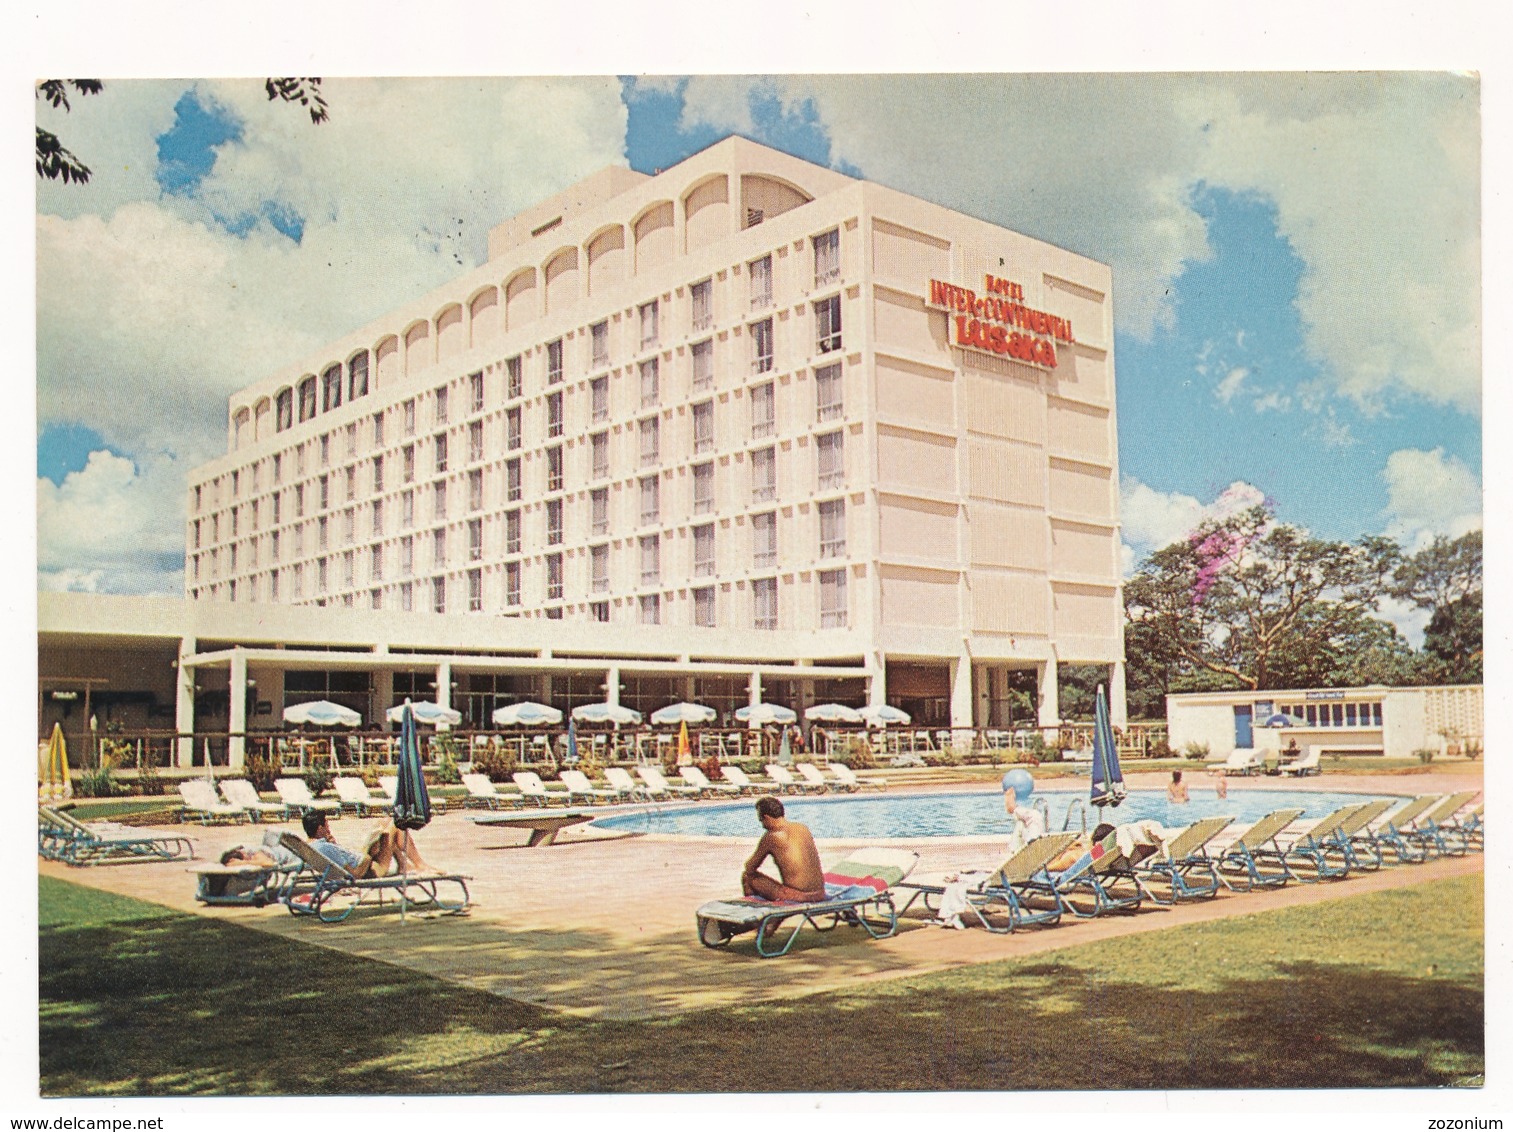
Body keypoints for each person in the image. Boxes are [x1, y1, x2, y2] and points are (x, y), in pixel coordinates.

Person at [301, 810, 438, 877]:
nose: (328, 828)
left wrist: (334, 844)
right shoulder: (325, 848)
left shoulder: (312, 846)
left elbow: (341, 862)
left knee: (383, 823)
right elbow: (355, 874)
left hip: (364, 863)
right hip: (372, 870)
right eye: (326, 825)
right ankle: (420, 864)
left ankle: (404, 865)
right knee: (395, 826)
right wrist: (368, 853)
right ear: (320, 829)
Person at [741, 795, 826, 902]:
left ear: (766, 817)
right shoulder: (802, 828)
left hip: (800, 897)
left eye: (761, 820)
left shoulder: (772, 836)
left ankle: (756, 914)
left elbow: (750, 867)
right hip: (820, 894)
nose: (762, 825)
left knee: (747, 877)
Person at [1003, 783, 1046, 855]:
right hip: (1034, 844)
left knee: (1028, 818)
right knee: (1024, 821)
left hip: (1030, 849)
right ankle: (1014, 809)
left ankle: (1014, 808)